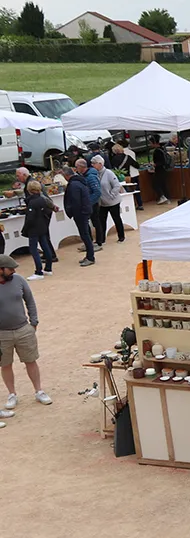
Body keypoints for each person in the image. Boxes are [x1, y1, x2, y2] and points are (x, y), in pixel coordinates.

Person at [0, 254, 52, 411]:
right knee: (5, 364)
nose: (14, 271)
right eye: (11, 269)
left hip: (23, 329)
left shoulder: (19, 280)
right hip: (2, 334)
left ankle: (39, 390)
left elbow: (29, 300)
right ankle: (12, 394)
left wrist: (33, 323)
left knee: (31, 360)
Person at [64, 159, 96, 267]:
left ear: (66, 175)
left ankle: (90, 257)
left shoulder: (73, 185)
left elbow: (75, 202)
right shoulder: (80, 182)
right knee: (86, 234)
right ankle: (89, 256)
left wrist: (74, 213)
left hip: (81, 213)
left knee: (85, 235)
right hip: (85, 211)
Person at [22, 182, 57, 280]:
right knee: (45, 246)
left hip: (34, 228)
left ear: (30, 190)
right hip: (42, 226)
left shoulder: (32, 202)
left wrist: (25, 229)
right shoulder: (42, 199)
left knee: (33, 249)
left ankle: (39, 271)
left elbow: (30, 218)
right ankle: (48, 268)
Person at [92, 155, 124, 246]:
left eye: (94, 163)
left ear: (100, 164)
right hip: (102, 203)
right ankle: (102, 239)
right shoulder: (95, 174)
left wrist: (111, 195)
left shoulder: (109, 173)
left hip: (113, 201)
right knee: (102, 221)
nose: (92, 165)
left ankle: (121, 237)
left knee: (116, 219)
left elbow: (117, 186)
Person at [111, 143, 142, 209]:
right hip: (128, 177)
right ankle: (139, 204)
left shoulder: (113, 159)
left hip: (119, 177)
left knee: (123, 194)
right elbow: (137, 165)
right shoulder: (127, 157)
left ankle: (127, 207)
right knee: (133, 191)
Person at [149, 135, 171, 205]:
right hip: (165, 169)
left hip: (160, 169)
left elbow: (161, 161)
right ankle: (167, 198)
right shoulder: (162, 148)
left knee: (155, 184)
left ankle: (162, 196)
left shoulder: (157, 151)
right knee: (163, 184)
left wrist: (154, 164)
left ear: (154, 142)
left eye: (151, 143)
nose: (150, 144)